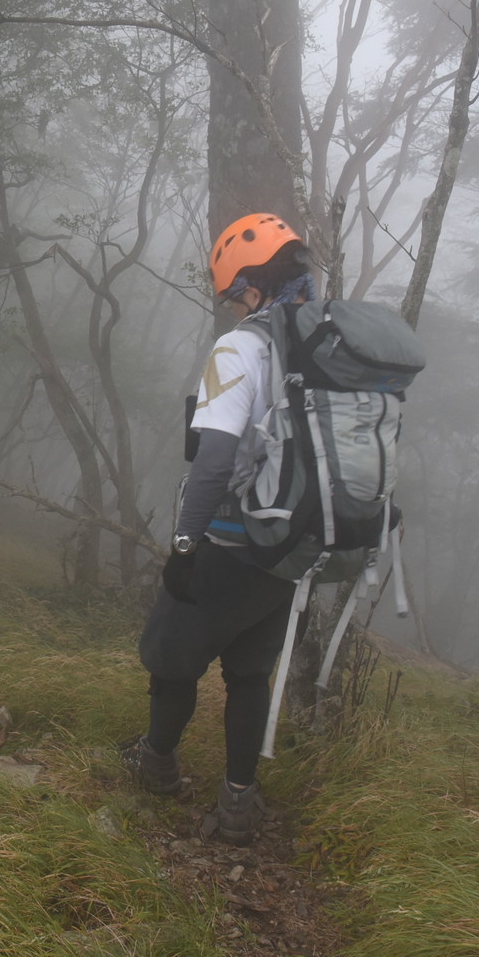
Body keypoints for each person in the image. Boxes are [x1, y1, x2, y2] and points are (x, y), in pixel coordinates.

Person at [121, 213, 315, 845]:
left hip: (231, 538)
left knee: (173, 659)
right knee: (250, 674)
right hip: (292, 545)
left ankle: (156, 766)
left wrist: (183, 542)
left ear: (253, 286)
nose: (234, 306)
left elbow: (214, 458)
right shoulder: (323, 344)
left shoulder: (242, 346)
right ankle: (238, 802)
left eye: (235, 293)